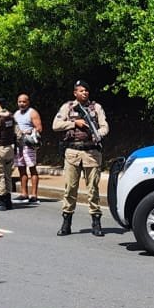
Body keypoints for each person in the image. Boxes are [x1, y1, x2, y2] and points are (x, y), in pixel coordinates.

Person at [52, 80, 109, 237]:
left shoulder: (96, 108)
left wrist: (98, 134)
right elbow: (55, 125)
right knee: (70, 188)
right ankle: (66, 223)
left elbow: (105, 127)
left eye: (86, 91)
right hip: (73, 152)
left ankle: (96, 222)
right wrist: (74, 123)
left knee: (93, 189)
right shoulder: (68, 107)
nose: (85, 93)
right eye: (81, 90)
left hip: (92, 153)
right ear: (75, 93)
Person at [12, 93, 43, 203]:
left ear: (28, 102)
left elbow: (39, 128)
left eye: (24, 102)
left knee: (32, 168)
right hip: (18, 145)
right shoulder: (16, 114)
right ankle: (24, 193)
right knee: (21, 168)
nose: (22, 104)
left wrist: (28, 131)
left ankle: (34, 194)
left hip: (29, 144)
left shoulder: (32, 113)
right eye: (20, 101)